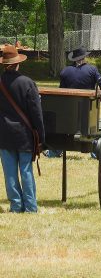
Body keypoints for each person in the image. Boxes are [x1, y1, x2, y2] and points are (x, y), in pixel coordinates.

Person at [45, 46, 101, 158]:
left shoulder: (65, 71)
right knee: (92, 128)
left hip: (68, 112)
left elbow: (62, 91)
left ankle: (55, 151)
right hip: (87, 109)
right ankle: (95, 152)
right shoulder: (92, 70)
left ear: (74, 59)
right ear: (84, 58)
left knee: (63, 128)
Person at [0, 45, 45, 212]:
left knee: (10, 172)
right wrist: (40, 136)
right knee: (26, 170)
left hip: (4, 134)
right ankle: (31, 207)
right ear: (18, 63)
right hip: (24, 134)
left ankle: (16, 205)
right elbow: (36, 113)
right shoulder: (27, 83)